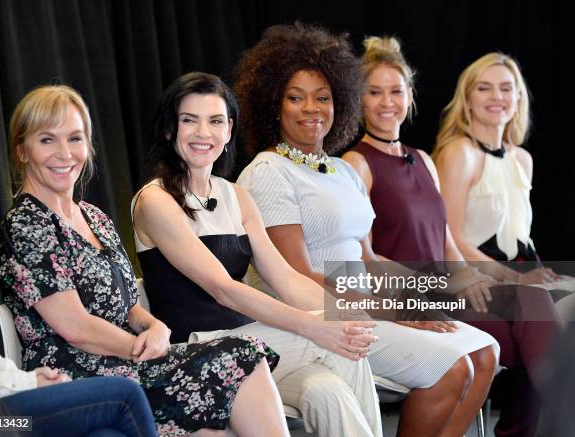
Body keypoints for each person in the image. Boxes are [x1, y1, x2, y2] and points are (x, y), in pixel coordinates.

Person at [234, 23, 499, 437]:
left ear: (340, 102)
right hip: (319, 320)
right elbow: (298, 278)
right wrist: (395, 310)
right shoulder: (269, 172)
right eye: (295, 98)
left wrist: (421, 296)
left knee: (486, 352)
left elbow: (369, 259)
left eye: (323, 97)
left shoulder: (340, 170)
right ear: (273, 104)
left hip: (367, 308)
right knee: (453, 367)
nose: (311, 109)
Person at [0, 85, 288, 437]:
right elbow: (75, 327)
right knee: (241, 356)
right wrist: (144, 348)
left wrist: (156, 328)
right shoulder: (27, 223)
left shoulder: (95, 218)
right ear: (21, 150)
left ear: (87, 146)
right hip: (76, 376)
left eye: (74, 139)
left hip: (126, 361)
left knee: (225, 403)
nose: (64, 153)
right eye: (46, 140)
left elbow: (130, 306)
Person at [132, 71, 381, 437]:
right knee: (338, 344)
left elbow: (287, 279)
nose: (204, 133)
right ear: (170, 129)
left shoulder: (236, 195)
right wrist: (318, 324)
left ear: (229, 130)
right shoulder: (155, 200)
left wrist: (350, 312)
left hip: (249, 345)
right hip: (195, 350)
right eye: (190, 120)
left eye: (215, 121)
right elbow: (223, 289)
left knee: (331, 392)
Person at [343, 38, 559, 437]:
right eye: (374, 92)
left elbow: (445, 241)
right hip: (408, 299)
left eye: (395, 91)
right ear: (358, 100)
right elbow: (363, 256)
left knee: (533, 300)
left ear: (410, 96)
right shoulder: (356, 163)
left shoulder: (423, 159)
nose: (386, 102)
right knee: (528, 341)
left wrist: (470, 276)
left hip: (447, 289)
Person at [0, 171, 157, 437]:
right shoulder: (24, 222)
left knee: (106, 434)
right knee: (124, 396)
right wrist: (28, 381)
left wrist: (29, 381)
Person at [432, 52, 557, 284]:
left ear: (518, 99)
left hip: (525, 271)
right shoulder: (459, 154)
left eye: (506, 88)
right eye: (484, 88)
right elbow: (449, 238)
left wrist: (537, 277)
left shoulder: (522, 159)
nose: (496, 96)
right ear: (467, 99)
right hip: (479, 280)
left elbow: (518, 234)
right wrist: (514, 279)